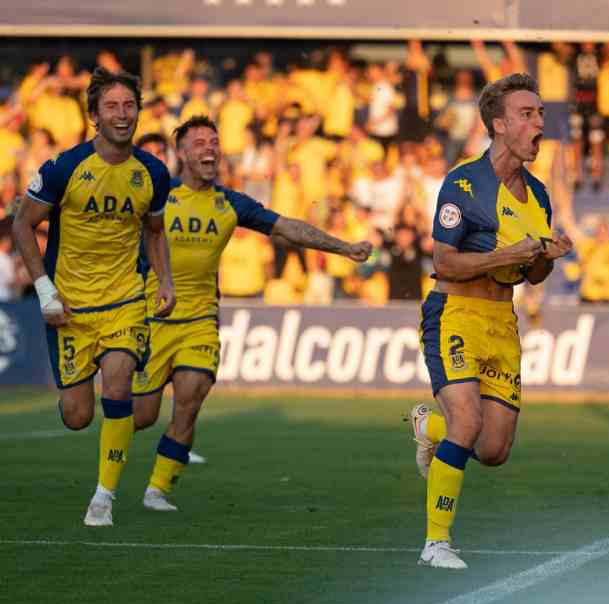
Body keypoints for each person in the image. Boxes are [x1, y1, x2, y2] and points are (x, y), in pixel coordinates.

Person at [131, 116, 371, 511]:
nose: (210, 149)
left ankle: (157, 489)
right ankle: (113, 473)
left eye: (214, 141)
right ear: (182, 154)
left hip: (200, 321)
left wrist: (342, 247)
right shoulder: (157, 199)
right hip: (152, 318)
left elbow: (287, 227)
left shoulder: (230, 203)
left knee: (190, 397)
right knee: (141, 416)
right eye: (200, 143)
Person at [407, 73, 572, 569]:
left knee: (494, 449)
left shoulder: (538, 195)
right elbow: (446, 262)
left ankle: (427, 426)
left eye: (541, 113)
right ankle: (436, 542)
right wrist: (510, 252)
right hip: (453, 311)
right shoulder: (464, 183)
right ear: (499, 125)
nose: (539, 122)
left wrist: (547, 256)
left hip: (502, 319)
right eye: (528, 114)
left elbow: (533, 277)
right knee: (469, 420)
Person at [12, 67, 175, 526]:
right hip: (71, 307)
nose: (123, 115)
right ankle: (76, 407)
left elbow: (155, 231)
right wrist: (45, 291)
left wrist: (165, 281)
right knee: (78, 416)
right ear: (93, 117)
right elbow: (23, 224)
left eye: (129, 106)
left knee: (119, 383)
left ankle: (103, 497)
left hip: (124, 300)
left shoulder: (153, 172)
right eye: (112, 107)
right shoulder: (66, 167)